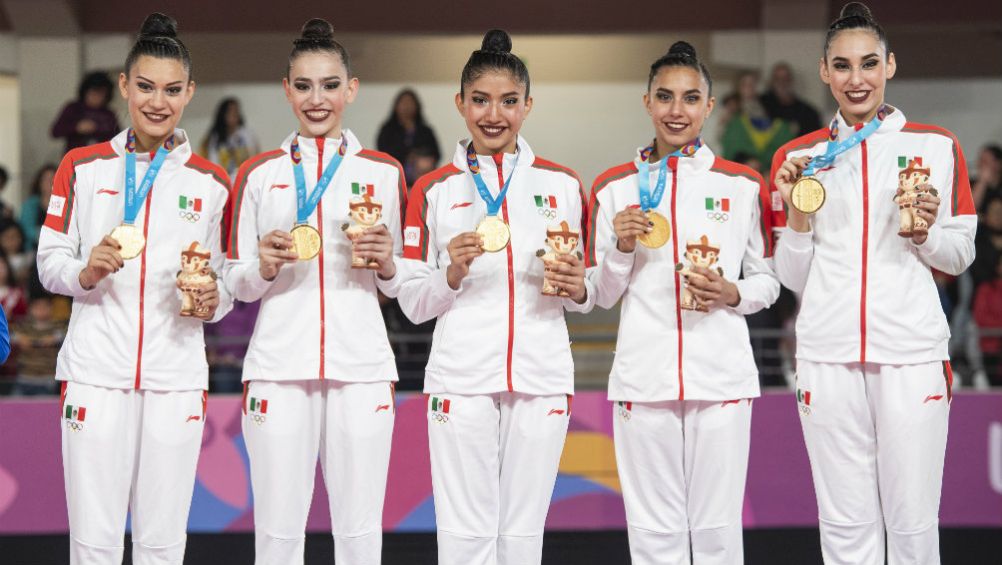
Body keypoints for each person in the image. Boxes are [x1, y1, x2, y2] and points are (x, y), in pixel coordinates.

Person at [770, 3, 976, 563]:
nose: (855, 79)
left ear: (890, 65)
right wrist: (797, 214)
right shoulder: (797, 157)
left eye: (867, 64)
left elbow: (959, 255)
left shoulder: (935, 146)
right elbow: (790, 276)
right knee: (844, 525)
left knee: (912, 525)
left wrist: (927, 234)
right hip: (828, 356)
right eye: (842, 66)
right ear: (823, 72)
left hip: (910, 354)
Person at [37, 13, 232, 565]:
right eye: (145, 86)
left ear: (189, 93)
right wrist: (84, 272)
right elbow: (48, 262)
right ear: (124, 86)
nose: (157, 101)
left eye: (172, 90)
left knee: (163, 541)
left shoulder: (213, 183)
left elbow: (225, 284)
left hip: (175, 377)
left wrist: (217, 300)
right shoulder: (81, 166)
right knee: (94, 541)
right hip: (96, 374)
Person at [397, 29, 590, 565]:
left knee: (524, 537)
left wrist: (578, 285)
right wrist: (449, 274)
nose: (493, 115)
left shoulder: (564, 185)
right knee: (464, 536)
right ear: (460, 103)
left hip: (542, 375)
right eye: (480, 100)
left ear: (528, 105)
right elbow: (413, 303)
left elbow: (584, 293)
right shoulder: (432, 188)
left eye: (508, 101)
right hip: (460, 377)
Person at [586, 41, 779, 564]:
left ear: (710, 107)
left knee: (717, 532)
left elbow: (769, 281)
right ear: (647, 101)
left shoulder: (742, 186)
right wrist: (622, 249)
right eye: (666, 97)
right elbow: (599, 293)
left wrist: (733, 292)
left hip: (721, 379)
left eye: (691, 98)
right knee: (653, 534)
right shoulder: (613, 188)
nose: (677, 110)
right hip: (644, 381)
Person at [223, 18, 406, 565]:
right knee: (278, 534)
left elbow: (402, 286)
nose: (317, 99)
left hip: (362, 366)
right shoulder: (257, 174)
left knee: (359, 533)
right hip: (279, 367)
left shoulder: (384, 172)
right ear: (286, 89)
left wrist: (389, 263)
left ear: (351, 89)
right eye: (303, 85)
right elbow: (235, 283)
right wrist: (263, 266)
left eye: (330, 85)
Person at [722, 70, 795, 167]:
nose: (750, 88)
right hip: (739, 156)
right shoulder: (731, 106)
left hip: (761, 156)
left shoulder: (765, 105)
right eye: (745, 84)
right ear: (738, 87)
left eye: (753, 84)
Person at [377, 88, 441, 185]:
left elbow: (436, 153)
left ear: (417, 106)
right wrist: (407, 156)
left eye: (410, 103)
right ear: (396, 106)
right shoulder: (388, 130)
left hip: (422, 176)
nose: (407, 106)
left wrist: (419, 157)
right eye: (403, 103)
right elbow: (383, 153)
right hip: (393, 177)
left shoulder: (425, 131)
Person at [51, 71, 121, 154]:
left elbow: (118, 137)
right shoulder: (73, 108)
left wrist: (99, 129)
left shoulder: (108, 114)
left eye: (101, 94)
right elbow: (55, 131)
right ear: (85, 92)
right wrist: (77, 127)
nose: (97, 97)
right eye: (94, 93)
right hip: (76, 157)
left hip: (101, 158)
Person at [11, 293, 65, 395]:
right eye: (37, 307)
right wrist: (19, 339)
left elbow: (65, 335)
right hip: (24, 378)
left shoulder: (56, 326)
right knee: (13, 406)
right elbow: (10, 336)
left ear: (51, 308)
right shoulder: (24, 326)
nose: (41, 310)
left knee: (45, 409)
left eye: (45, 307)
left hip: (47, 379)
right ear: (31, 309)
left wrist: (55, 338)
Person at [199, 97, 260, 178]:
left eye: (236, 111)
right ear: (223, 114)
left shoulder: (247, 134)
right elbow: (211, 162)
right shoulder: (214, 138)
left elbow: (255, 157)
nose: (233, 114)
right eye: (230, 111)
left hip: (244, 179)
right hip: (222, 180)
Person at [760, 62, 823, 137]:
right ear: (771, 82)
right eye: (777, 79)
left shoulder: (808, 112)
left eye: (786, 79)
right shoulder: (760, 104)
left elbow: (816, 140)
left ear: (791, 81)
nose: (782, 83)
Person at [20, 163, 58, 250]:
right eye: (46, 179)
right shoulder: (30, 204)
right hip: (33, 249)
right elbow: (26, 229)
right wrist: (50, 237)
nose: (51, 182)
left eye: (54, 178)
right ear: (39, 183)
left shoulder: (66, 204)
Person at [971, 143, 1002, 210]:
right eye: (980, 161)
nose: (980, 165)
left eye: (985, 162)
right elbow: (971, 208)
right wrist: (982, 182)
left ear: (998, 164)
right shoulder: (971, 183)